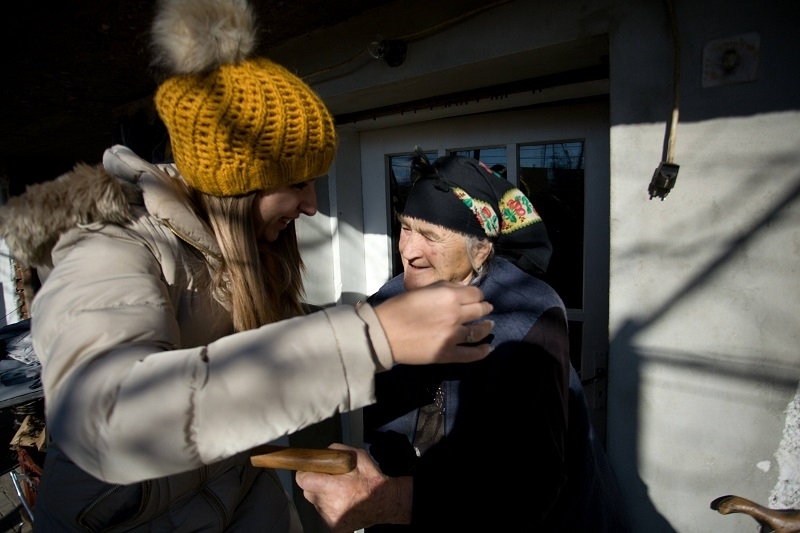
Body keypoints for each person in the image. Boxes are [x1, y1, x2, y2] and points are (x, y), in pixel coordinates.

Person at [0, 2, 495, 531]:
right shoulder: (110, 251)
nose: (311, 206)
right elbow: (109, 419)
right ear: (238, 186)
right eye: (297, 183)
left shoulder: (240, 255)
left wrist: (377, 320)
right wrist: (368, 339)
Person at [296, 151, 631, 531]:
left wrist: (386, 499)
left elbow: (528, 489)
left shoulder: (530, 317)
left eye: (430, 235)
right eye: (406, 227)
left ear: (482, 249)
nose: (408, 249)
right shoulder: (388, 302)